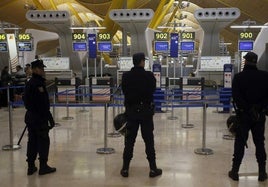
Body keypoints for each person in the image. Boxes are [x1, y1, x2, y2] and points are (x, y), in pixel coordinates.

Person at [120, 52, 162, 178]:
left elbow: (124, 91)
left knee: (129, 141)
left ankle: (125, 169)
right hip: (146, 113)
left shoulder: (126, 76)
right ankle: (153, 169)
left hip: (131, 112)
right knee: (149, 141)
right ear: (142, 62)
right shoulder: (148, 76)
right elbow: (153, 89)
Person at [229, 52, 268, 181]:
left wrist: (248, 108)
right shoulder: (265, 76)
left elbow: (236, 97)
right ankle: (262, 172)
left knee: (240, 143)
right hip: (259, 116)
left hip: (243, 116)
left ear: (245, 62)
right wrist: (258, 108)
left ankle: (235, 171)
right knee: (259, 143)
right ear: (256, 62)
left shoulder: (239, 78)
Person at [23, 59, 56, 175]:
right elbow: (42, 104)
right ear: (36, 69)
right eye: (41, 68)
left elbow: (26, 101)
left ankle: (30, 167)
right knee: (43, 141)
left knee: (32, 142)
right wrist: (49, 118)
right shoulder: (38, 84)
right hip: (39, 118)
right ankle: (43, 166)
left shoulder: (29, 83)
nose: (43, 70)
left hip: (30, 117)